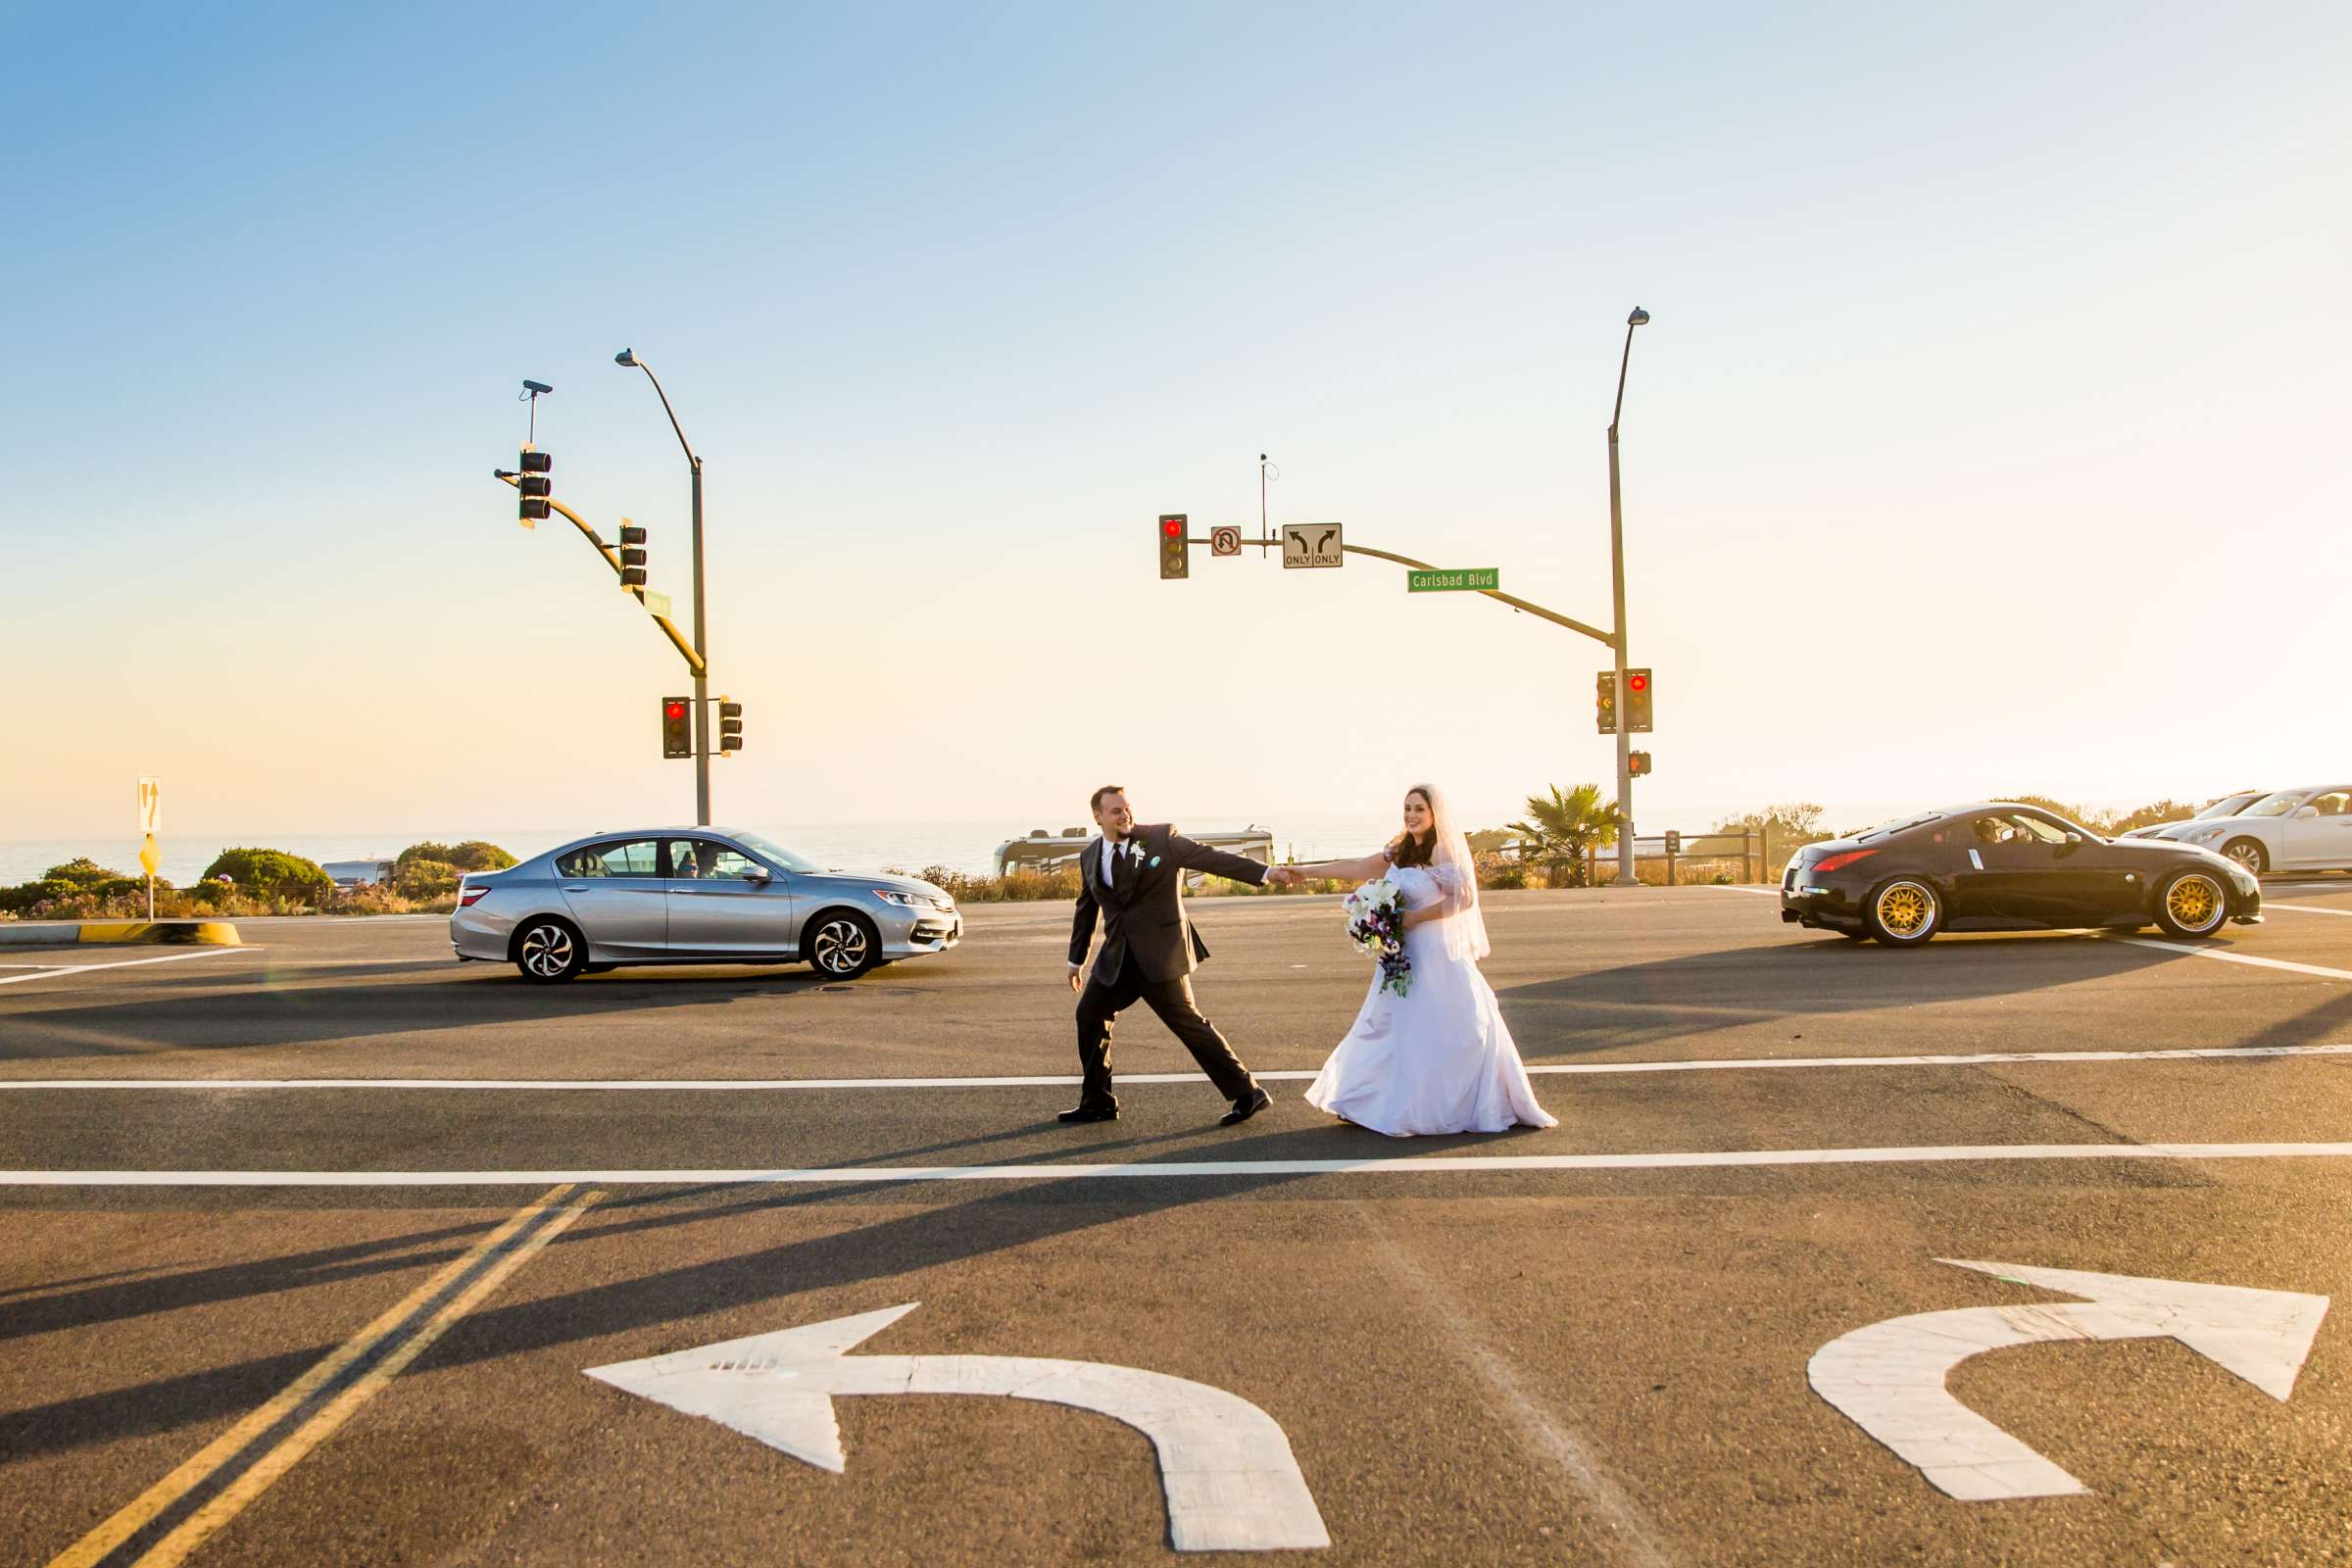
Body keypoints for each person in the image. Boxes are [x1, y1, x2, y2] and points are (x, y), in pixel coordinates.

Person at [1287, 785, 1556, 1137]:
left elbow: (1464, 900)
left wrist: (1413, 919)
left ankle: (1436, 1105)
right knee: (1384, 1025)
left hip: (1435, 954)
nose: (1411, 815)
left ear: (1434, 814)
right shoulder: (1400, 849)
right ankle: (1367, 1101)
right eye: (1407, 809)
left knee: (1439, 1029)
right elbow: (1358, 867)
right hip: (1401, 954)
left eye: (1419, 809)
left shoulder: (1443, 850)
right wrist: (1306, 873)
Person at [1063, 785, 1299, 1127]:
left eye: (1127, 808)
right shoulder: (1090, 856)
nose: (1125, 815)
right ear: (1098, 816)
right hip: (1117, 959)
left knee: (1188, 1023)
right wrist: (1076, 959)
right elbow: (1086, 908)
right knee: (1089, 1015)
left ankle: (1248, 1093)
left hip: (1160, 954)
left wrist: (1266, 873)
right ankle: (1097, 1101)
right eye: (1115, 811)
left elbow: (1210, 858)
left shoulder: (1161, 839)